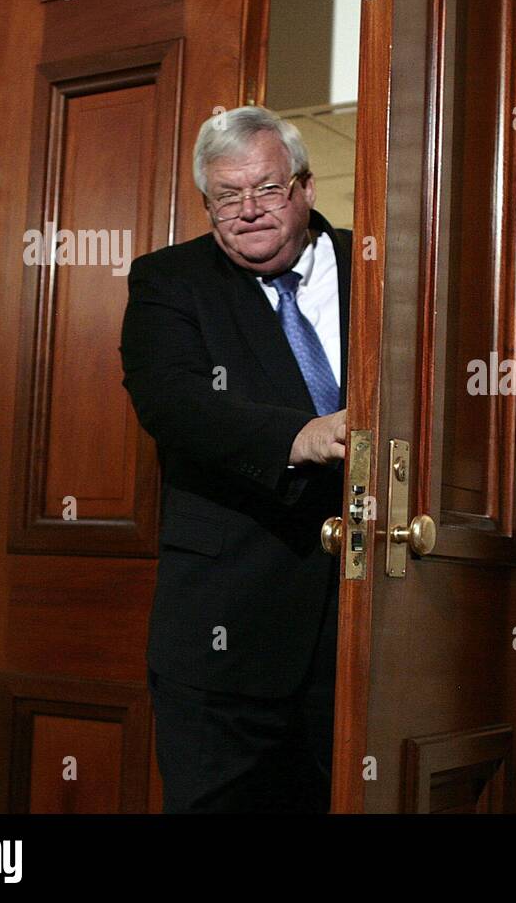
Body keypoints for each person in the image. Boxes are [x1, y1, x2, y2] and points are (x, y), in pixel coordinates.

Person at [118, 105, 350, 812]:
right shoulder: (169, 281)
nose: (249, 210)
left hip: (363, 634)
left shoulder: (381, 265)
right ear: (207, 204)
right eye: (227, 195)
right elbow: (175, 404)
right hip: (225, 646)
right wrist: (298, 437)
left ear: (305, 187)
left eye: (267, 188)